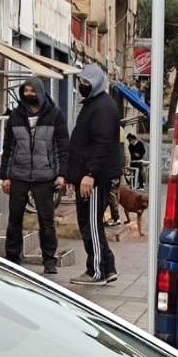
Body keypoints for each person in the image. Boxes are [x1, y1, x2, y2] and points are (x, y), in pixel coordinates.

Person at [0, 79, 69, 275]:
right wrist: (5, 175)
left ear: (40, 92)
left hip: (44, 175)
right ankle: (13, 257)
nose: (29, 94)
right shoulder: (16, 115)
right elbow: (8, 148)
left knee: (46, 220)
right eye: (26, 90)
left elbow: (63, 147)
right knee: (14, 219)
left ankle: (49, 260)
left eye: (32, 90)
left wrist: (62, 174)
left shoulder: (54, 115)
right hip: (18, 174)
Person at [65, 63, 122, 286]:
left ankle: (96, 270)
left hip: (95, 179)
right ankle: (108, 267)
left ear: (96, 84)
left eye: (86, 83)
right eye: (81, 82)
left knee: (91, 223)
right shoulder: (94, 105)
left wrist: (89, 174)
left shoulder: (102, 108)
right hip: (89, 176)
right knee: (90, 222)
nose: (82, 86)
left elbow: (102, 144)